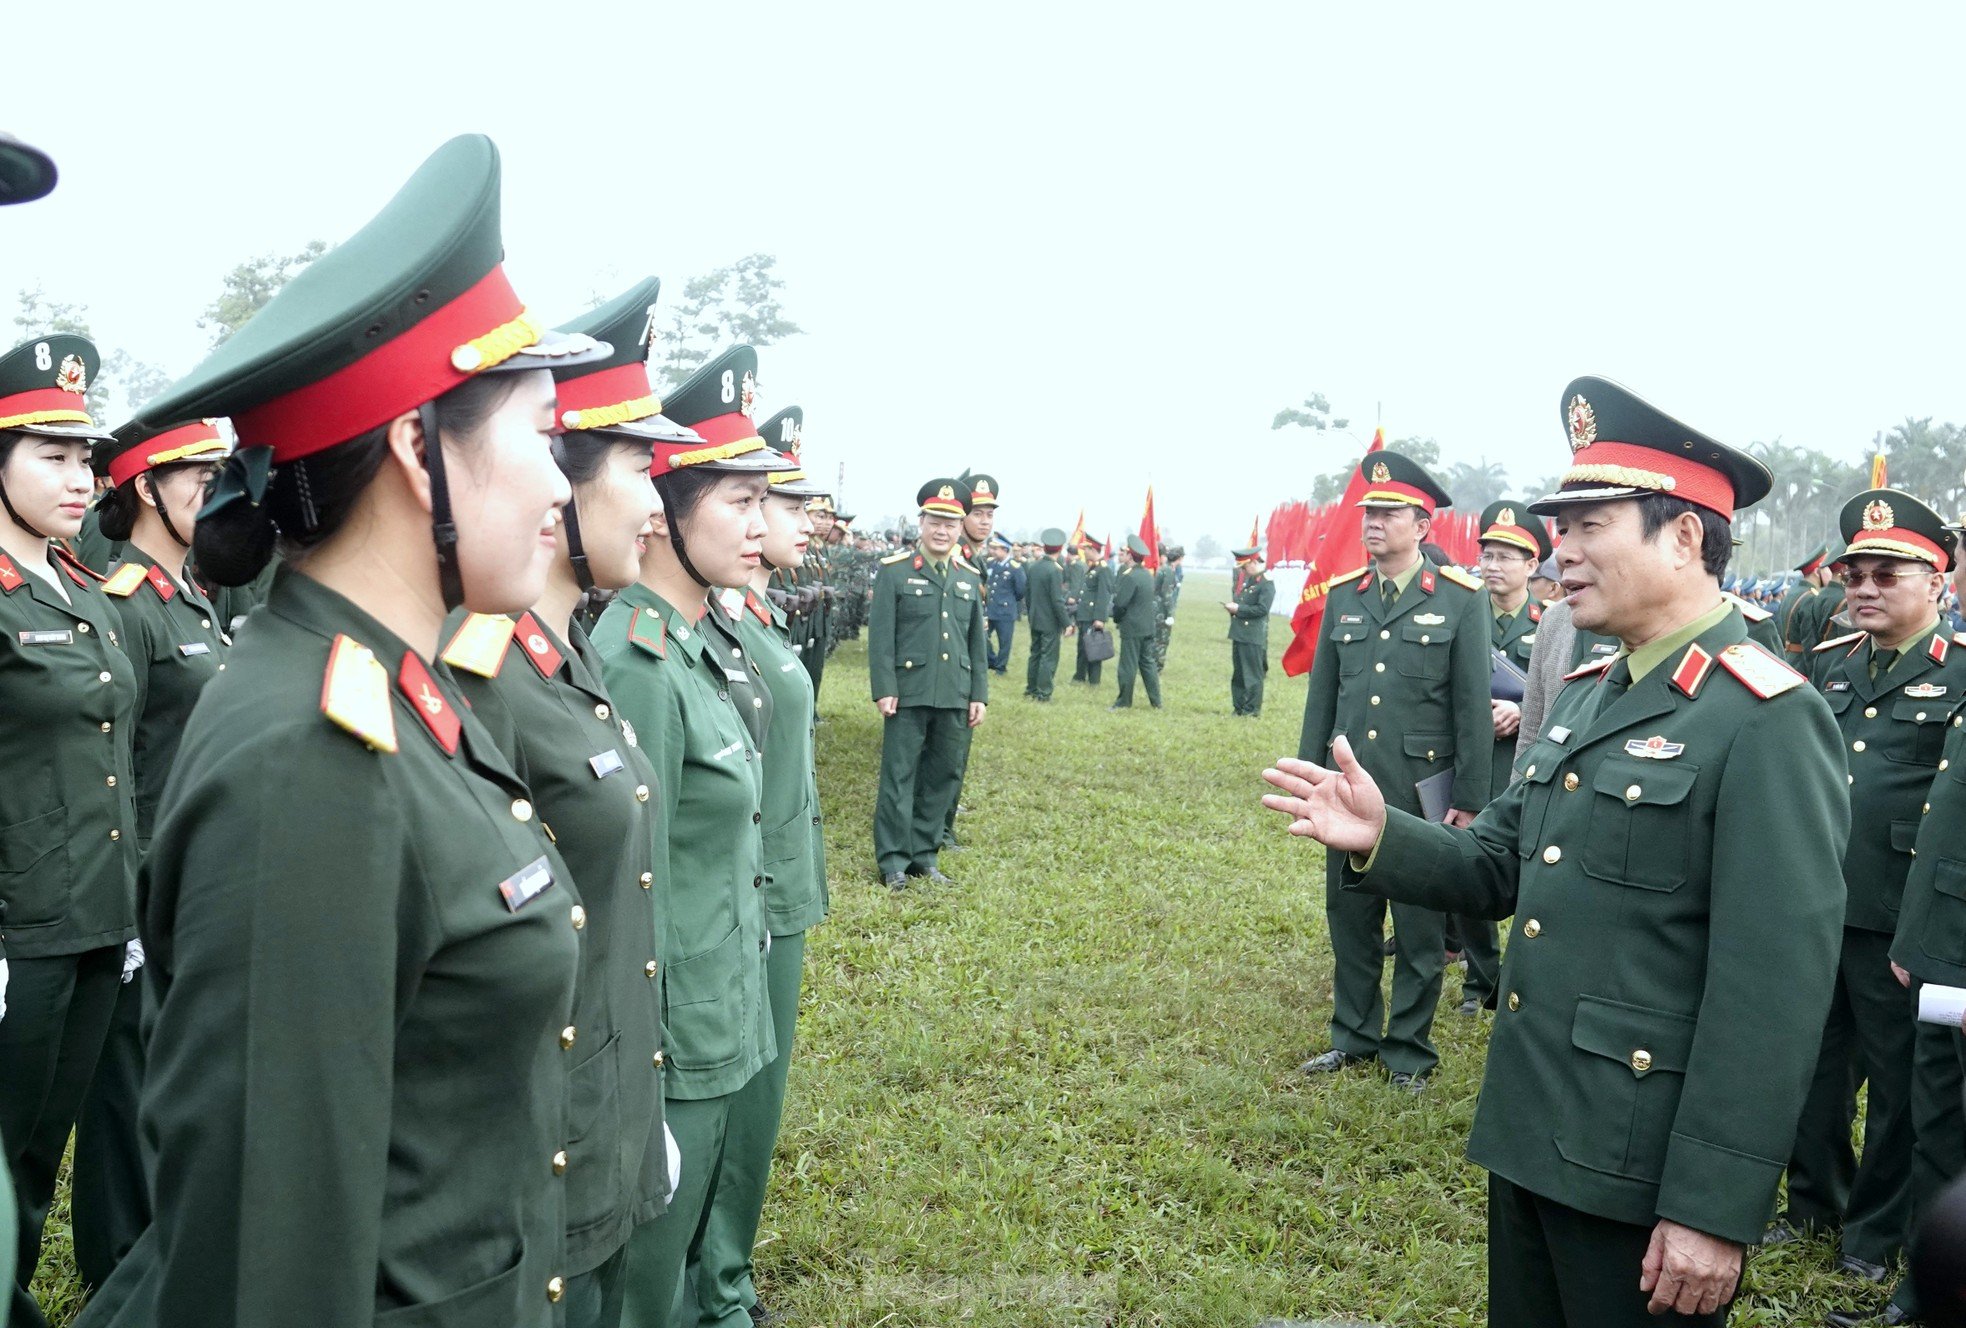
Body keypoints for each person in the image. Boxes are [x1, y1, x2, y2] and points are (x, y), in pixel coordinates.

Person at [77, 135, 604, 1328]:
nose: (562, 486)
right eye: (541, 434)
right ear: (421, 451)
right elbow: (267, 1258)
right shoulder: (309, 760)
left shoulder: (389, 686)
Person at [1262, 375, 1847, 1325]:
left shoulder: (1766, 718)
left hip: (1642, 1172)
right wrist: (1384, 835)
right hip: (1533, 1131)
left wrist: (1712, 1207)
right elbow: (1501, 861)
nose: (1558, 554)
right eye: (1557, 528)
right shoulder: (1588, 688)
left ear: (1685, 536)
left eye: (1588, 526)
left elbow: (1774, 988)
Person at [440, 279, 684, 1328]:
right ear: (563, 484)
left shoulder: (567, 652)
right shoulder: (479, 674)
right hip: (536, 1166)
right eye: (639, 468)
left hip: (605, 1122)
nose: (658, 505)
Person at [591, 343, 788, 1328]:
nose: (762, 525)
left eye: (764, 501)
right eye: (739, 500)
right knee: (643, 1288)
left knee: (679, 1269)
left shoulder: (701, 644)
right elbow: (630, 882)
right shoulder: (635, 657)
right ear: (665, 510)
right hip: (672, 1038)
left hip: (723, 1011)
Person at [69, 417, 230, 1292]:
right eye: (194, 476)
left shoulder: (191, 596)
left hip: (192, 896)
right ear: (143, 489)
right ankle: (115, 1286)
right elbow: (112, 771)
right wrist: (129, 906)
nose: (213, 489)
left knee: (171, 1108)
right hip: (139, 900)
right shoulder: (127, 604)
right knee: (123, 1116)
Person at [0, 334, 141, 1328]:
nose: (79, 477)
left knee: (42, 1151)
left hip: (95, 915)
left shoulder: (80, 588)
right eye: (51, 454)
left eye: (84, 456)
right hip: (19, 932)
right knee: (2, 1153)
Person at [1805, 497, 1966, 1328]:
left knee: (1904, 1086)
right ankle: (1813, 1201)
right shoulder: (1832, 664)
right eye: (1852, 574)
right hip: (1819, 902)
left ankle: (1875, 1229)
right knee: (1814, 1067)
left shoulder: (1961, 670)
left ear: (1936, 580)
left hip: (1903, 920)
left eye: (1885, 574)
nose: (1863, 588)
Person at [1293, 451, 1491, 1093]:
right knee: (1349, 921)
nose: (1373, 523)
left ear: (1422, 525)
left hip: (1416, 798)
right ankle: (1352, 1037)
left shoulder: (1460, 600)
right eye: (1368, 513)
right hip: (1347, 793)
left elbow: (1471, 711)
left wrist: (1466, 799)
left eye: (1387, 513)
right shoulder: (1346, 597)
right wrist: (1311, 781)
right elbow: (1322, 699)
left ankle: (1407, 1050)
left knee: (1418, 933)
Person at [698, 432, 831, 1328]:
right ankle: (713, 1290)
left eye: (774, 504)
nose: (796, 521)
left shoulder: (760, 617)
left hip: (780, 883)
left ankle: (724, 1279)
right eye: (770, 504)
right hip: (742, 897)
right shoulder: (709, 622)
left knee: (758, 1103)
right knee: (729, 1111)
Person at [1456, 499, 1553, 1017]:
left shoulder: (1553, 623)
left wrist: (1518, 709)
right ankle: (1480, 980)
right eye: (1487, 554)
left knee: (1527, 867)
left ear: (1532, 565)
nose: (1493, 565)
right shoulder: (1460, 613)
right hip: (1468, 763)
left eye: (1507, 556)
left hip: (1520, 763)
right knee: (1470, 861)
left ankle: (1523, 973)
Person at [867, 479, 988, 889]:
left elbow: (976, 643)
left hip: (954, 692)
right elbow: (881, 638)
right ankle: (894, 860)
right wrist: (884, 687)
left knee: (943, 776)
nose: (943, 530)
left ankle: (924, 855)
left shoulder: (969, 577)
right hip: (908, 692)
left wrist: (979, 695)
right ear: (921, 523)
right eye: (935, 521)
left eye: (951, 524)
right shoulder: (894, 572)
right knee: (899, 776)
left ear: (960, 529)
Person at [1109, 533, 1163, 710]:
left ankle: (1124, 702)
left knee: (1128, 665)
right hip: (1147, 626)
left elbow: (1120, 603)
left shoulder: (1129, 576)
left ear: (1130, 555)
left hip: (1132, 627)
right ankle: (1156, 702)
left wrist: (1116, 618)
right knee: (1148, 664)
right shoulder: (1147, 575)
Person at [1023, 527, 1072, 701]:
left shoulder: (1033, 567)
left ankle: (1031, 688)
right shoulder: (1055, 570)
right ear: (1060, 548)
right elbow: (1057, 600)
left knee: (1035, 653)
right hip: (1049, 620)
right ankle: (1043, 692)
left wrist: (1031, 613)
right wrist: (1067, 623)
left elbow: (1027, 595)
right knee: (1048, 657)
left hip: (1035, 617)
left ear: (1044, 547)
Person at [1226, 545, 1274, 716]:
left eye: (1245, 567)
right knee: (1238, 674)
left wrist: (1238, 609)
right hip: (1239, 633)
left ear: (1253, 563)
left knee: (1253, 675)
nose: (1243, 572)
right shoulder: (1248, 581)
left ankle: (1252, 709)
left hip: (1252, 635)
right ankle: (1238, 707)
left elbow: (1262, 609)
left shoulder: (1266, 583)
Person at [1777, 544, 1836, 654]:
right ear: (1817, 572)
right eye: (1828, 568)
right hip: (1802, 663)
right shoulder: (1810, 598)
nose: (1831, 573)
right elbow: (1810, 644)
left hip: (1789, 657)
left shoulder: (1793, 593)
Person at [1071, 538, 1112, 685]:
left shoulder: (1103, 569)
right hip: (1085, 614)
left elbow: (1103, 595)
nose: (1084, 552)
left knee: (1094, 648)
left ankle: (1094, 680)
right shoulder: (1093, 567)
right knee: (1083, 647)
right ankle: (1080, 675)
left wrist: (1100, 618)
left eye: (1086, 549)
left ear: (1093, 550)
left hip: (1093, 616)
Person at [984, 532, 1024, 675]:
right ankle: (992, 660)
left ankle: (1001, 667)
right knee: (983, 637)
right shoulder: (990, 563)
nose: (993, 551)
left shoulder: (1014, 567)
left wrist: (1009, 601)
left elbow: (1020, 590)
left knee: (1004, 642)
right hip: (990, 609)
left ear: (1005, 550)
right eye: (993, 548)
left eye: (997, 549)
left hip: (1005, 610)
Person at [1154, 543, 1182, 670]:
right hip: (1162, 611)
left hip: (1155, 608)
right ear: (1179, 558)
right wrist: (1170, 614)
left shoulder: (1163, 569)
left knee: (1155, 638)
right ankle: (1157, 666)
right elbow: (1167, 594)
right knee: (1162, 640)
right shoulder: (1169, 571)